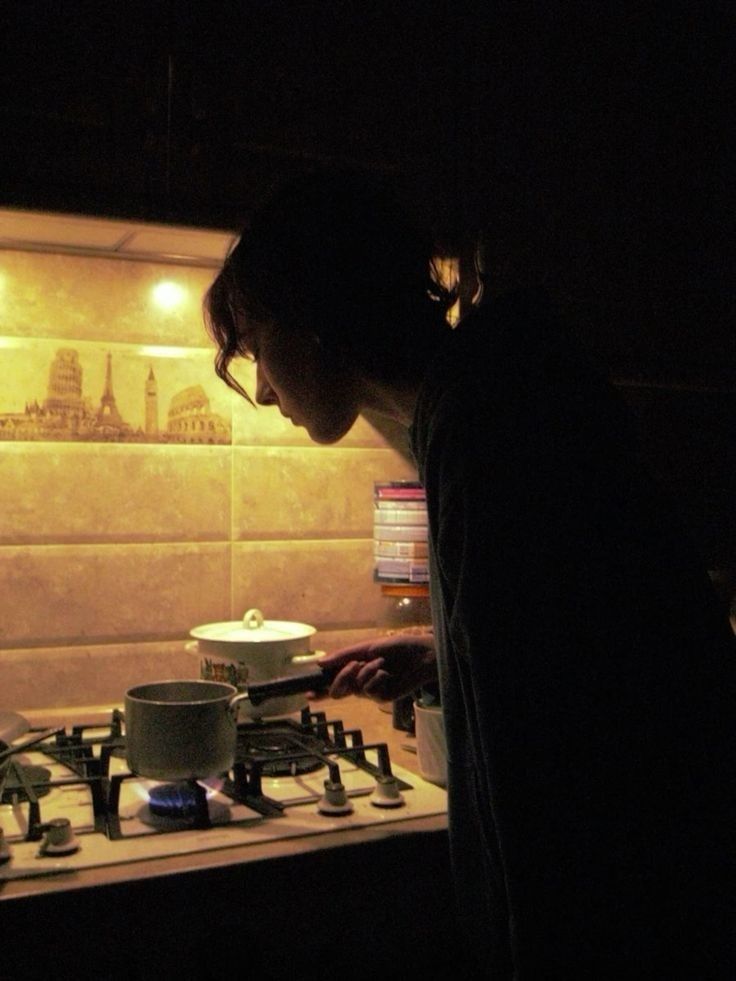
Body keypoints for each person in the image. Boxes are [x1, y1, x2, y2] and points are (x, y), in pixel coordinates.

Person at [204, 173, 735, 978]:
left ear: (312, 318)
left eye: (252, 344)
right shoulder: (489, 393)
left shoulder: (490, 420)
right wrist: (441, 651)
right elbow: (572, 648)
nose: (265, 387)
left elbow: (544, 772)